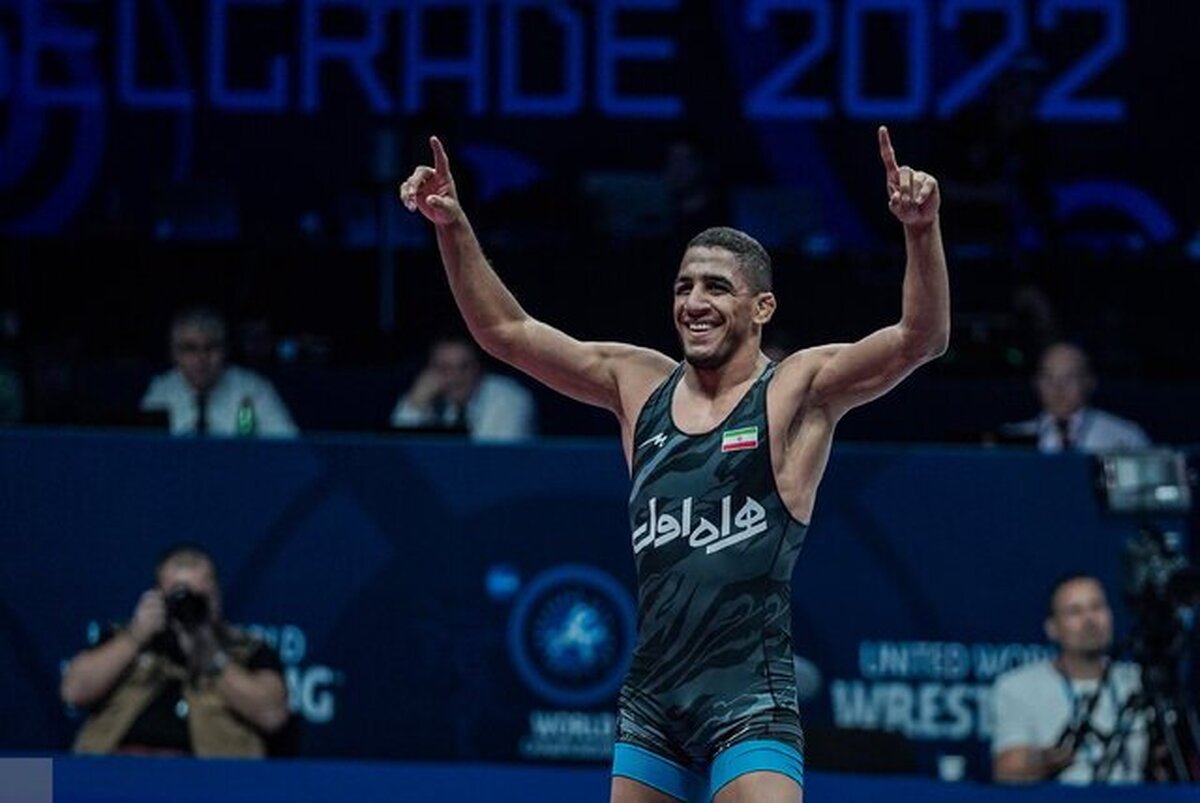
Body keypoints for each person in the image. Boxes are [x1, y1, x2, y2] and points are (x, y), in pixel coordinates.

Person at [399, 127, 949, 803]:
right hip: (653, 704)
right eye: (684, 285)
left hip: (751, 698)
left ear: (762, 307)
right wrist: (452, 227)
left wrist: (921, 230)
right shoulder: (638, 385)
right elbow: (506, 334)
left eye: (716, 287)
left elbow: (920, 340)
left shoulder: (794, 390)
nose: (694, 302)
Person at [60, 544, 289, 757]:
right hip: (116, 768)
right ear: (157, 596)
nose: (188, 607)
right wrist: (135, 638)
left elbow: (272, 715)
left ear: (216, 597)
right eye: (179, 597)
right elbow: (73, 692)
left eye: (199, 599)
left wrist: (212, 658)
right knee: (37, 778)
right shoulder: (123, 638)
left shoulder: (245, 649)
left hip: (208, 777)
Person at [991, 574, 1147, 784]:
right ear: (1052, 628)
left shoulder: (1140, 681)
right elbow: (1006, 770)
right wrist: (1047, 759)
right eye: (1075, 612)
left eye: (1097, 607)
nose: (1090, 620)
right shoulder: (1017, 687)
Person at [141, 307, 298, 437]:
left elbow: (288, 448)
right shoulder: (162, 390)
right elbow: (144, 451)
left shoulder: (254, 389)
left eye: (211, 347)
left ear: (225, 350)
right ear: (174, 354)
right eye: (190, 349)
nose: (201, 358)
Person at [1000, 342, 1149, 453]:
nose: (1058, 388)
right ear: (1036, 383)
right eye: (1048, 378)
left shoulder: (1124, 438)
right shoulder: (1014, 440)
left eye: (1069, 377)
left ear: (1089, 382)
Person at [390, 334, 536, 442]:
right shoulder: (425, 398)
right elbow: (400, 452)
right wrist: (416, 405)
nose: (456, 377)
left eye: (464, 367)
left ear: (479, 368)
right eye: (444, 368)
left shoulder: (510, 399)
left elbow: (494, 457)